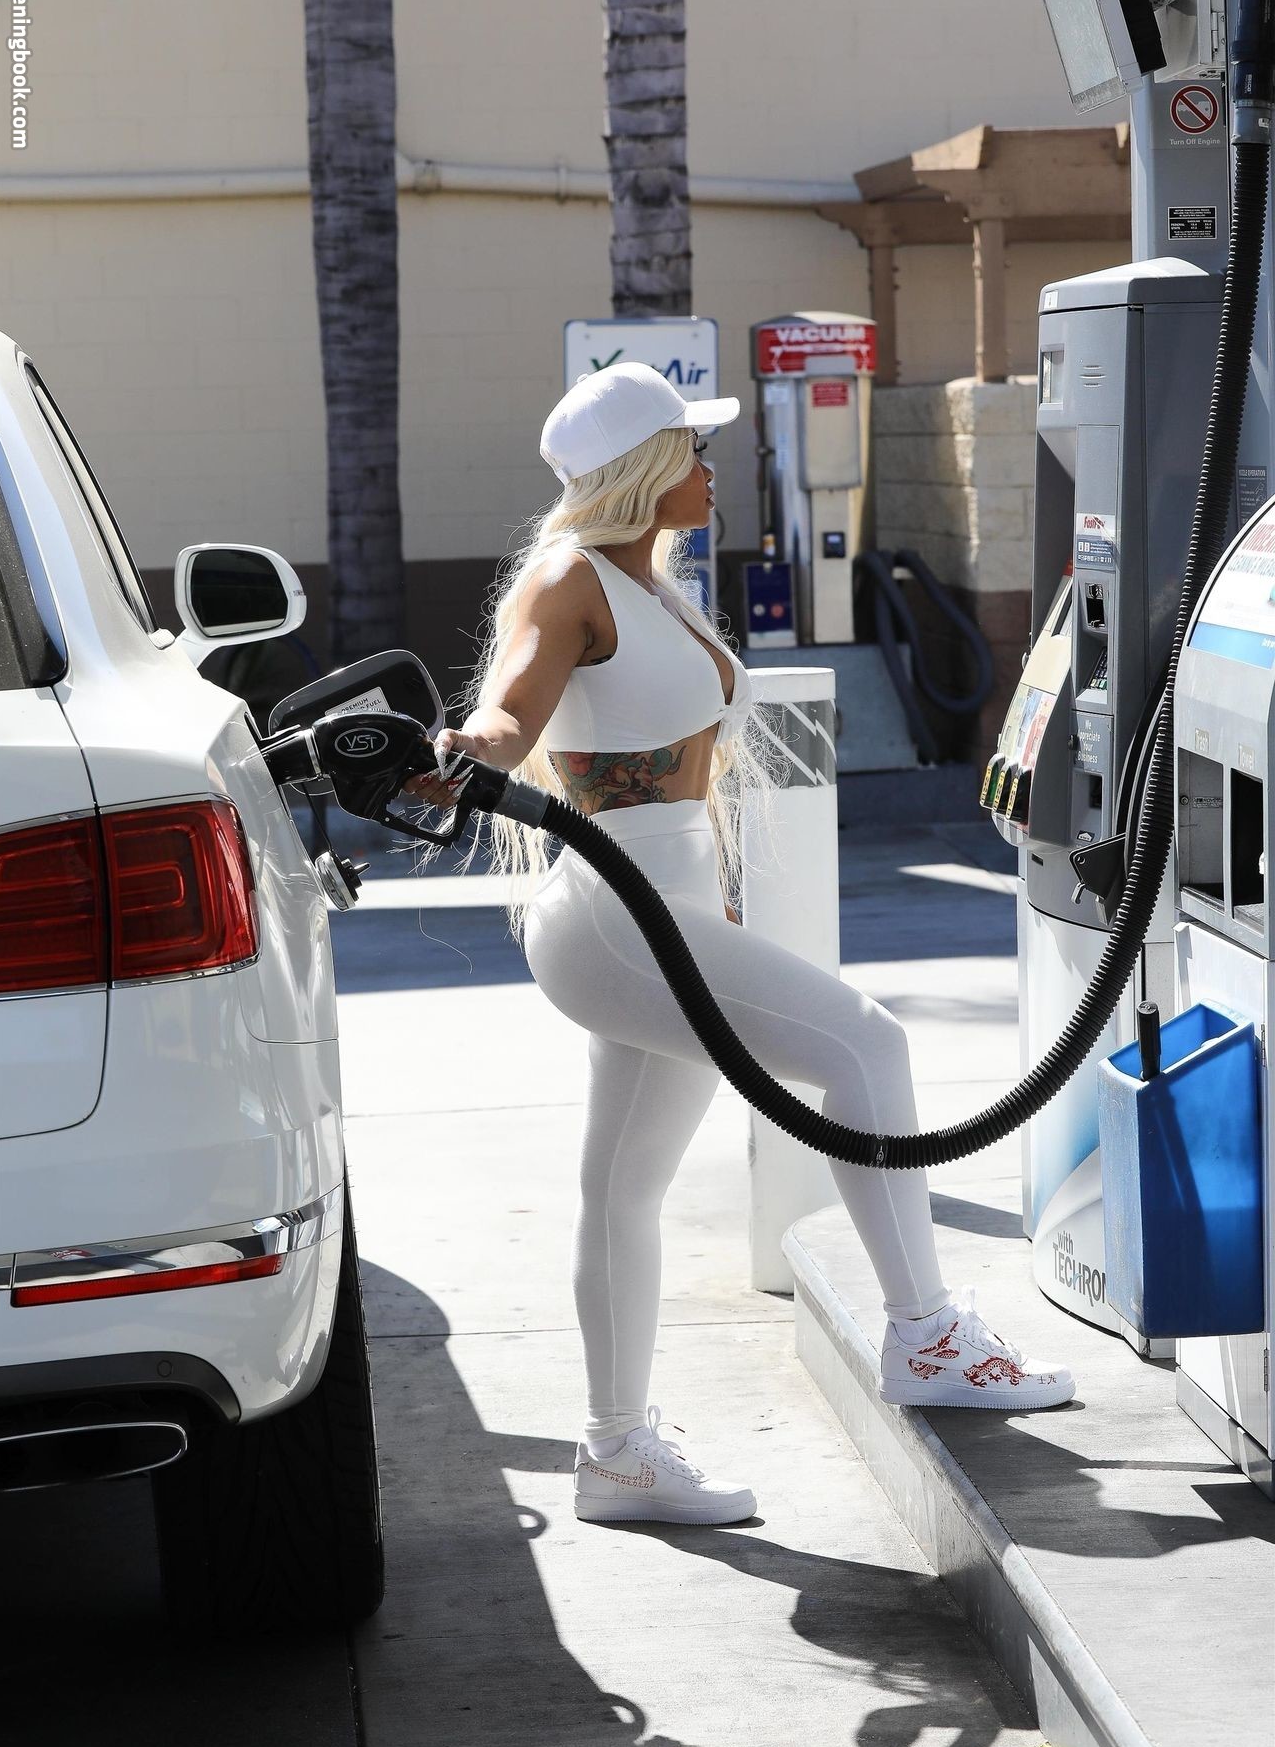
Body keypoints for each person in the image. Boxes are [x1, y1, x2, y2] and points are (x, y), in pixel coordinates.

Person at [403, 361, 1075, 1529]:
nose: (713, 471)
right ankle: (924, 1334)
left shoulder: (647, 584)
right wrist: (471, 747)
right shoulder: (568, 578)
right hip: (616, 918)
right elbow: (509, 710)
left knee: (623, 1188)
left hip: (657, 916)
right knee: (863, 1048)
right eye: (694, 450)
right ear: (644, 466)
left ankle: (615, 1455)